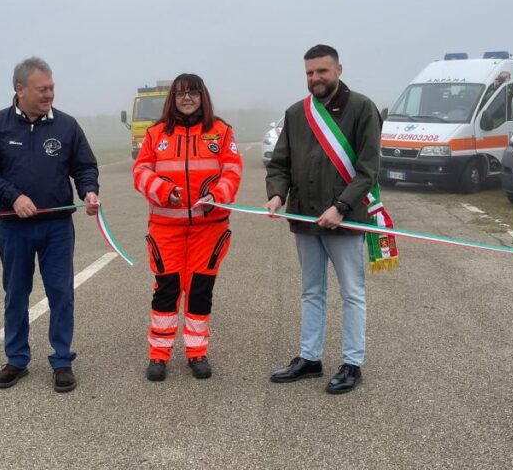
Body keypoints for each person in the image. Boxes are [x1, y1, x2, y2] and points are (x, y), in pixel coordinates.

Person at [0, 56, 100, 394]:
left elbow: (84, 167)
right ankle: (16, 358)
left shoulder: (67, 126)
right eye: (42, 89)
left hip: (57, 228)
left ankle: (62, 360)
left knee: (61, 293)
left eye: (52, 88)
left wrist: (89, 191)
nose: (49, 95)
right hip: (14, 228)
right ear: (20, 90)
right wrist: (13, 197)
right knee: (16, 293)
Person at [265, 44, 383, 395]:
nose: (315, 78)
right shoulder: (296, 113)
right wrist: (277, 194)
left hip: (344, 220)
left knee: (352, 293)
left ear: (338, 70)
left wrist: (342, 206)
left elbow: (368, 169)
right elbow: (280, 164)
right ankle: (310, 358)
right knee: (311, 291)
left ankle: (352, 363)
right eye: (309, 73)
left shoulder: (362, 108)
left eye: (322, 71)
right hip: (304, 217)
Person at [132, 73, 242, 381]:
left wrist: (216, 196)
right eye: (181, 93)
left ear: (202, 96)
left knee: (199, 290)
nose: (187, 98)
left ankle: (197, 352)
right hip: (165, 229)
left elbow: (232, 172)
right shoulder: (155, 134)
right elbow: (140, 172)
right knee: (166, 290)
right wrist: (163, 190)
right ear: (173, 99)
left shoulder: (221, 131)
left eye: (193, 92)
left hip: (209, 229)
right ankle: (159, 355)